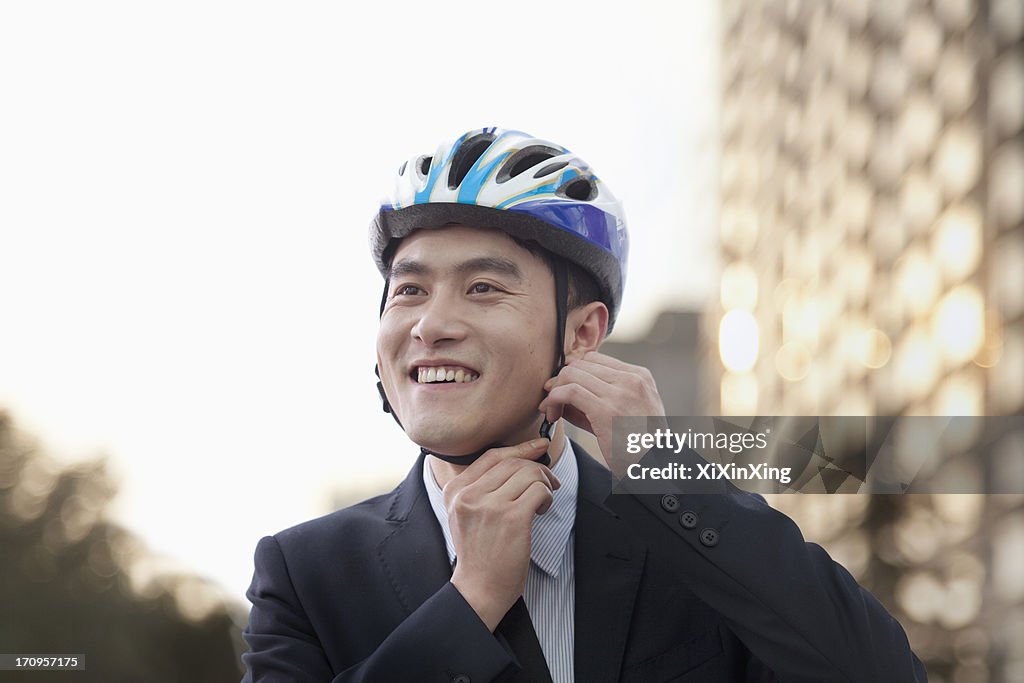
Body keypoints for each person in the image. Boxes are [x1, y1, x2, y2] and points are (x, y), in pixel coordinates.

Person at [242, 127, 927, 682]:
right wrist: (470, 600)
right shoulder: (304, 573)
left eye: (482, 288)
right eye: (410, 291)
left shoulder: (687, 541)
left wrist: (669, 474)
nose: (431, 324)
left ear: (582, 333)